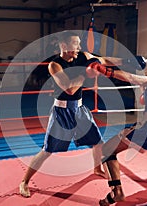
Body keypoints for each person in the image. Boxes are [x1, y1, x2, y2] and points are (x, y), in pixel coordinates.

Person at [19, 31, 123, 198]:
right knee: (47, 150)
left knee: (98, 142)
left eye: (79, 43)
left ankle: (97, 168)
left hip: (80, 109)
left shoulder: (82, 56)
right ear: (63, 45)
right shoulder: (54, 65)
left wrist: (128, 62)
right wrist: (86, 73)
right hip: (62, 112)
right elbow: (69, 88)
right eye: (75, 43)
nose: (79, 47)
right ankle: (24, 181)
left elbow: (103, 60)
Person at [87, 63, 147, 205]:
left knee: (107, 150)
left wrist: (108, 72)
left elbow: (131, 77)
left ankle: (116, 191)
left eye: (146, 77)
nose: (143, 82)